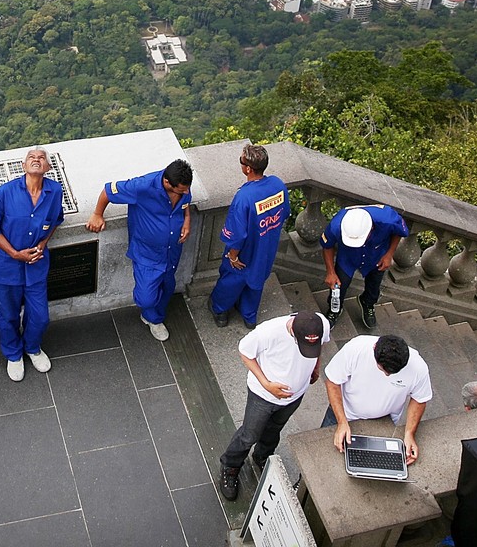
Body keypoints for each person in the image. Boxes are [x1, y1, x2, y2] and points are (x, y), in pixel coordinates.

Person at [218, 310, 329, 501]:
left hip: (294, 396)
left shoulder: (321, 324)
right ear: (293, 332)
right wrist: (266, 384)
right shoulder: (268, 332)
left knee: (274, 429)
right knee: (249, 434)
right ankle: (230, 465)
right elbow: (245, 352)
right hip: (263, 396)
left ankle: (263, 456)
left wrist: (316, 366)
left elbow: (319, 346)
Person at [0, 147, 65, 381]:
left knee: (40, 316)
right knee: (7, 316)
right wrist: (15, 254)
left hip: (35, 265)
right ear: (23, 166)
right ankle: (13, 355)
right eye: (31, 157)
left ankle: (32, 347)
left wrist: (44, 243)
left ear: (47, 167)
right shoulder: (5, 192)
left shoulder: (55, 191)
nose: (37, 160)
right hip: (4, 267)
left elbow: (56, 219)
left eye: (41, 158)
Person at [87, 158, 194, 341]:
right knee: (147, 297)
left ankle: (155, 318)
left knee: (168, 286)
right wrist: (97, 214)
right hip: (147, 254)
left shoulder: (182, 185)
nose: (186, 192)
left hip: (172, 250)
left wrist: (186, 219)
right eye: (182, 189)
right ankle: (149, 314)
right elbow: (108, 190)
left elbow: (185, 204)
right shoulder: (142, 187)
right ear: (167, 182)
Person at [208, 144, 291, 329]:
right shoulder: (278, 185)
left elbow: (236, 235)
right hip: (267, 249)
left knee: (231, 280)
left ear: (247, 168)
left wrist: (233, 256)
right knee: (256, 282)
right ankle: (249, 316)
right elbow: (284, 213)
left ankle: (220, 310)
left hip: (246, 253)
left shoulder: (244, 197)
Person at [321, 332, 432, 465]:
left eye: (392, 373)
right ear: (374, 348)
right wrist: (342, 422)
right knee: (320, 455)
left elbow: (419, 400)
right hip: (343, 414)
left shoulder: (419, 367)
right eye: (383, 370)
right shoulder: (356, 348)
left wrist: (409, 433)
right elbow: (333, 382)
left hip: (384, 421)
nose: (387, 375)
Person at [321, 204, 410, 330]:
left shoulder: (388, 219)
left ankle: (367, 303)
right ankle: (334, 309)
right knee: (338, 286)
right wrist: (330, 272)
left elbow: (398, 232)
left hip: (377, 255)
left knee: (374, 284)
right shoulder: (336, 225)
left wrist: (389, 254)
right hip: (347, 257)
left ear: (371, 228)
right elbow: (327, 246)